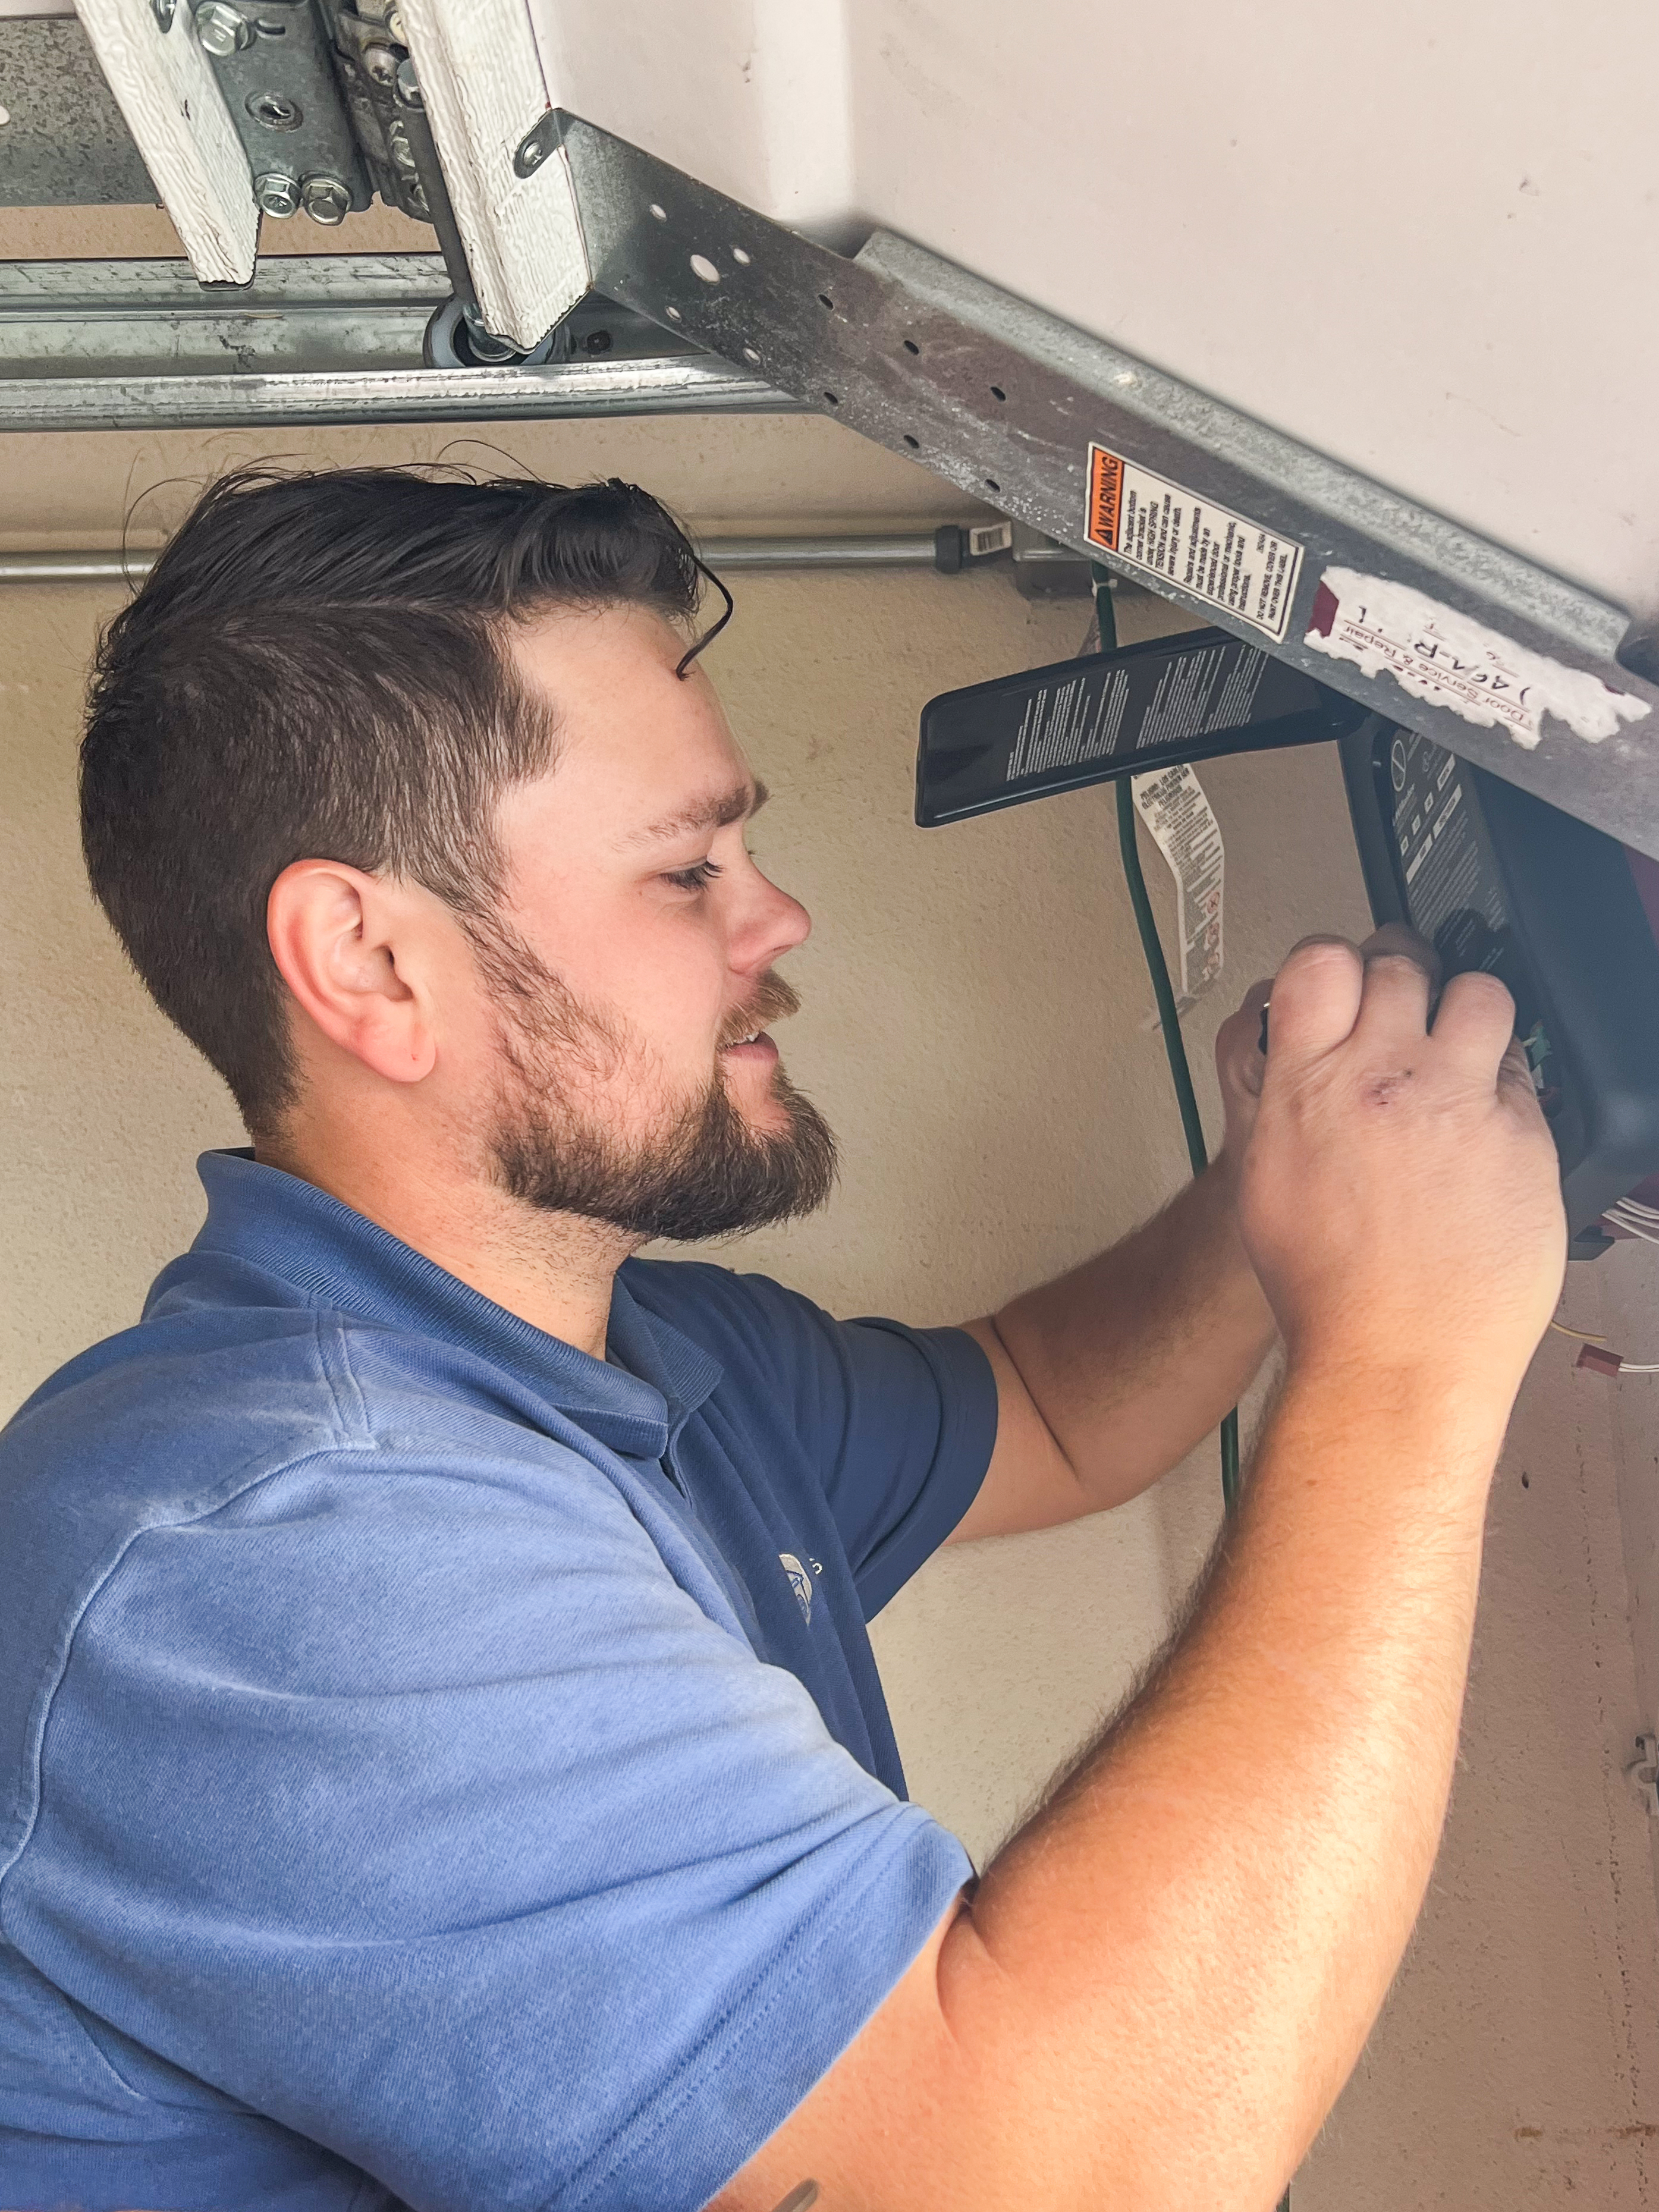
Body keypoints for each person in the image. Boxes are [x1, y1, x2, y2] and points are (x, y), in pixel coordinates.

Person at [0, 467, 1564, 2212]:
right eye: (686, 871)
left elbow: (1049, 1411)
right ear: (369, 962)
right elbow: (1069, 2186)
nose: (778, 919)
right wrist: (1412, 1348)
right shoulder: (278, 1559)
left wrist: (1293, 1190)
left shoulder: (642, 1355)